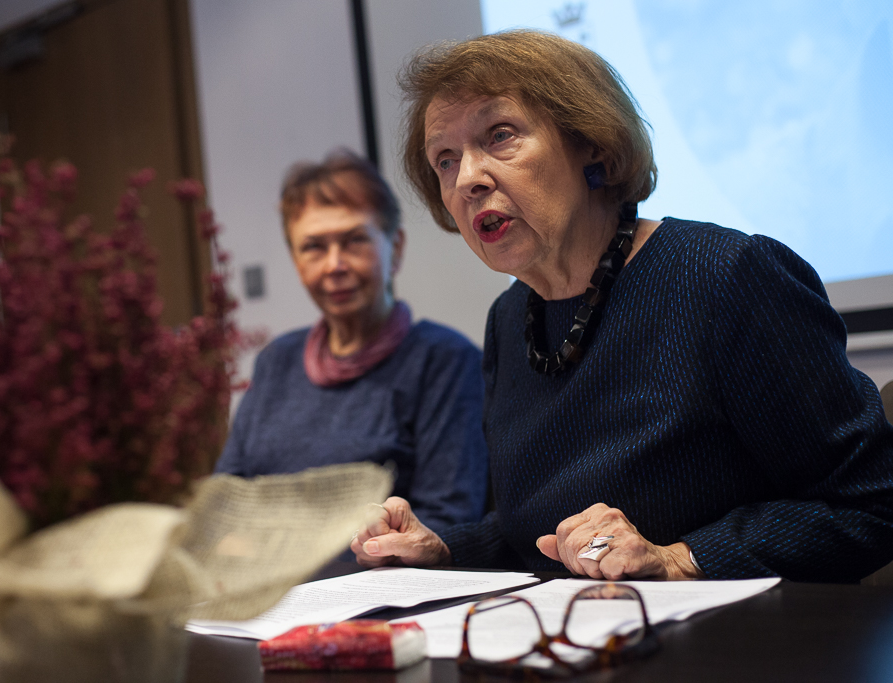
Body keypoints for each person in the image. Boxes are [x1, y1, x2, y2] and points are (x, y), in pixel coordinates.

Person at [351, 30, 893, 582]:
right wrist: (443, 551)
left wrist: (679, 559)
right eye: (445, 160)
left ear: (593, 143)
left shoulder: (727, 276)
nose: (467, 179)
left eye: (501, 135)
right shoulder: (510, 318)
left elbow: (870, 504)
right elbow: (535, 531)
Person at [215, 150, 488, 533]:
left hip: (378, 570)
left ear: (395, 248)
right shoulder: (276, 360)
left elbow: (447, 522)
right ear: (295, 260)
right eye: (314, 247)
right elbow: (225, 501)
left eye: (355, 240)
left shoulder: (445, 361)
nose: (334, 265)